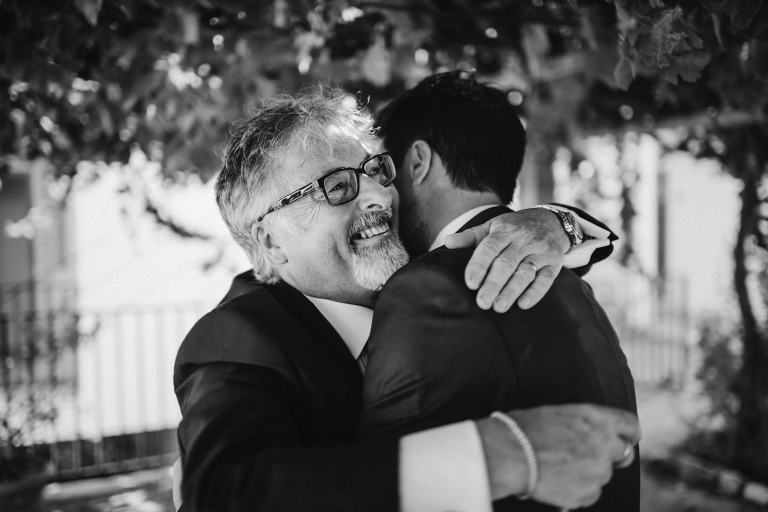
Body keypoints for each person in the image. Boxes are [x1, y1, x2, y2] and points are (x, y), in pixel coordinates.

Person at [173, 87, 640, 512]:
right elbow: (223, 494)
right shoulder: (238, 336)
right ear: (272, 242)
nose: (381, 195)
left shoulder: (420, 280)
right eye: (337, 186)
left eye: (375, 170)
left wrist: (556, 223)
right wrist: (500, 457)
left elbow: (483, 239)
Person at [359, 71, 639, 511]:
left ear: (417, 161)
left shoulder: (425, 288)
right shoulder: (571, 284)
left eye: (383, 169)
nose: (379, 192)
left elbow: (391, 480)